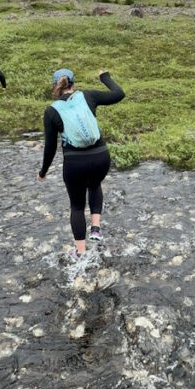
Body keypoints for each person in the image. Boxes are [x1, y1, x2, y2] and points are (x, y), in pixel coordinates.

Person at [38, 68, 125, 259]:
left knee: (77, 206)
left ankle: (81, 254)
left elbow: (50, 147)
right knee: (95, 185)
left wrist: (43, 171)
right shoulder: (87, 96)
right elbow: (119, 94)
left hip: (75, 164)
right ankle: (95, 228)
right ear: (73, 84)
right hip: (101, 157)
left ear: (56, 87)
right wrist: (105, 77)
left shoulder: (51, 111)